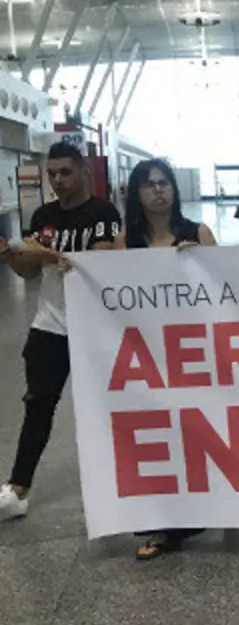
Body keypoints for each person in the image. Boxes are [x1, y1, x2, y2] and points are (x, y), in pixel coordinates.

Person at [0, 142, 121, 522]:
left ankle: (123, 487)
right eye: (52, 174)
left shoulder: (103, 212)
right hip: (49, 324)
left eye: (65, 172)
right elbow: (30, 273)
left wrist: (48, 254)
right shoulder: (43, 215)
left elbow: (97, 263)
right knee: (38, 405)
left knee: (108, 407)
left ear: (84, 170)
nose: (57, 180)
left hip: (95, 326)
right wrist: (14, 259)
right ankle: (18, 489)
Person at [114, 159, 216, 558]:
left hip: (193, 353)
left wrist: (203, 264)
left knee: (199, 433)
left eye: (164, 183)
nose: (158, 191)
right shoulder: (127, 243)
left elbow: (228, 287)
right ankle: (166, 524)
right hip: (149, 356)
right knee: (161, 438)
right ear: (136, 194)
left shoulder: (198, 233)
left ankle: (216, 506)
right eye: (149, 185)